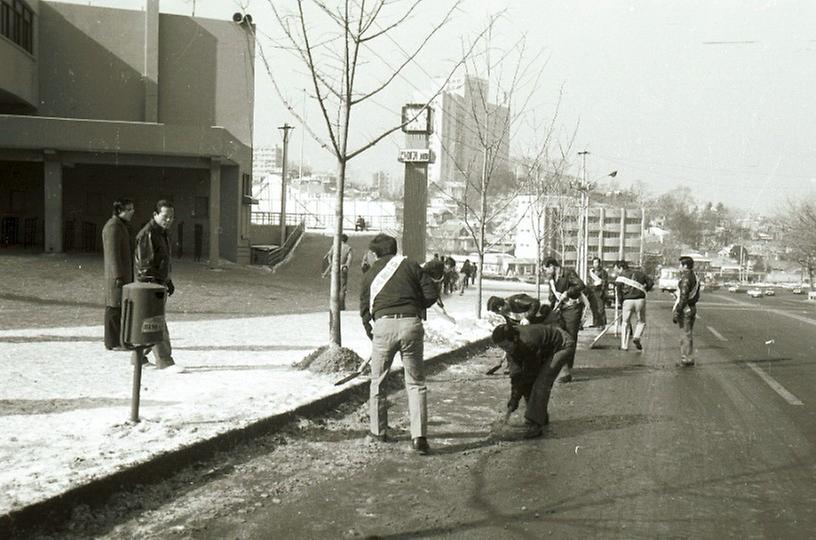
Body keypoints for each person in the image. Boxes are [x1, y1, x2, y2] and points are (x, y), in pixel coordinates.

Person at [359, 233, 439, 454]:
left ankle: (378, 432)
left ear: (375, 253)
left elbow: (364, 311)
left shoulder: (369, 275)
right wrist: (414, 305)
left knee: (378, 382)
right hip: (411, 324)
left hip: (383, 327)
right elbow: (431, 293)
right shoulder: (411, 265)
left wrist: (373, 334)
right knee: (415, 383)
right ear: (394, 250)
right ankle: (419, 437)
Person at [491, 323, 576, 438]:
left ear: (514, 339)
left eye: (506, 346)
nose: (506, 350)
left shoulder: (528, 342)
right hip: (546, 344)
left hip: (562, 345)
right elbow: (516, 375)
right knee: (528, 384)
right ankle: (539, 417)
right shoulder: (512, 348)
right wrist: (514, 398)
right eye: (502, 348)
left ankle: (535, 423)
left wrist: (518, 395)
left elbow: (531, 375)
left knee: (541, 383)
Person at [135, 199, 183, 372]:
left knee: (150, 323)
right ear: (155, 215)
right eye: (165, 216)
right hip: (151, 285)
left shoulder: (161, 233)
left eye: (172, 217)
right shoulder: (148, 234)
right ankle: (165, 361)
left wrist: (167, 281)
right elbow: (145, 266)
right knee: (157, 322)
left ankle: (138, 357)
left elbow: (161, 261)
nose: (169, 220)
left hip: (158, 283)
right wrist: (154, 286)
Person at [544, 257, 585, 383]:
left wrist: (568, 292)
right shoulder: (551, 280)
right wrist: (549, 312)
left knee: (570, 337)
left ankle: (567, 368)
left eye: (546, 269)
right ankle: (563, 366)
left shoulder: (568, 273)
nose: (545, 272)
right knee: (560, 336)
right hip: (561, 309)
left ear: (552, 266)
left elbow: (580, 285)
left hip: (573, 308)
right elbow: (552, 296)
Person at [102, 197, 135, 350]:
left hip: (121, 275)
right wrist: (118, 276)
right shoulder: (113, 227)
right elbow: (112, 254)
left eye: (132, 209)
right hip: (116, 277)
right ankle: (112, 342)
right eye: (128, 209)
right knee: (114, 308)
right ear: (119, 211)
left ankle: (118, 341)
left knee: (118, 308)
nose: (132, 212)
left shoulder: (120, 225)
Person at [613, 260, 653, 351]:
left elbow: (619, 293)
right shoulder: (640, 273)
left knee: (625, 323)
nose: (616, 272)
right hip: (640, 300)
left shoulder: (620, 278)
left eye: (616, 269)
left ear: (621, 268)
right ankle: (637, 336)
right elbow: (650, 283)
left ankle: (624, 345)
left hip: (627, 301)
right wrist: (645, 289)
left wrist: (621, 303)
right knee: (641, 321)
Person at [674, 256, 700, 367]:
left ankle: (686, 358)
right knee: (687, 333)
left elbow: (684, 297)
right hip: (692, 307)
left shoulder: (686, 278)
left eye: (680, 265)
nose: (678, 267)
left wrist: (677, 311)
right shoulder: (694, 276)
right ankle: (688, 357)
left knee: (684, 334)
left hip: (686, 308)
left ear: (685, 266)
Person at [322, 234, 353, 310]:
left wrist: (331, 263)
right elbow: (350, 258)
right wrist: (346, 266)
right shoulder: (348, 248)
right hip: (343, 268)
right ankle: (341, 306)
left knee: (335, 285)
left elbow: (329, 256)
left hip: (334, 267)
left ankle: (334, 304)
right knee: (343, 287)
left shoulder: (334, 246)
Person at [587, 257, 609, 327]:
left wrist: (603, 291)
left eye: (597, 262)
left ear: (599, 263)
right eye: (594, 263)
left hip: (599, 292)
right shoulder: (591, 272)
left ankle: (602, 323)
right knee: (594, 308)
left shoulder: (603, 272)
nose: (595, 264)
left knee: (600, 308)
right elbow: (589, 281)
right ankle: (595, 322)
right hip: (592, 292)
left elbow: (604, 282)